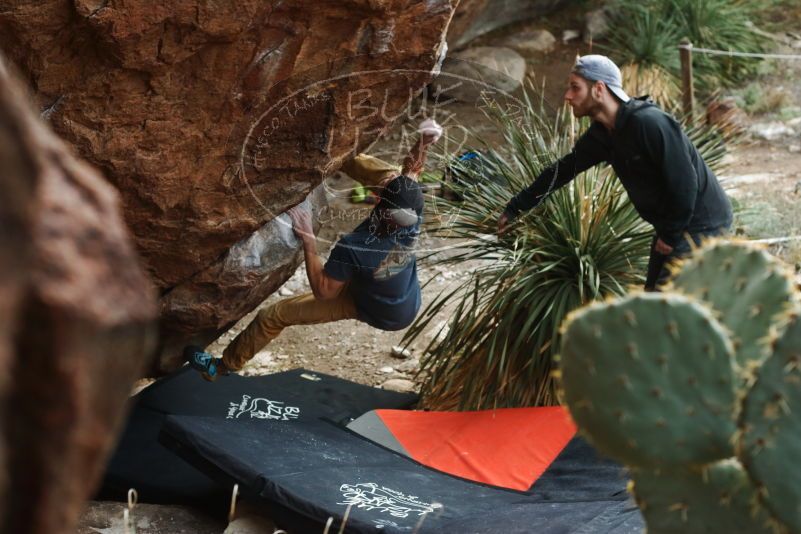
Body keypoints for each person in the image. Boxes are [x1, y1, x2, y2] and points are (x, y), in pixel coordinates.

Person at [185, 123, 441, 380]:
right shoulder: (411, 213)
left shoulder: (355, 247)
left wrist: (308, 237)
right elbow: (412, 170)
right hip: (401, 294)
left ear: (379, 202)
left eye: (384, 189)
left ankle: (221, 368)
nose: (386, 182)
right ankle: (335, 154)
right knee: (392, 175)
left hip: (379, 310)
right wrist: (424, 141)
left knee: (272, 316)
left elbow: (324, 291)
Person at [497, 55, 732, 290]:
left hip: (702, 223)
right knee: (652, 299)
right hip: (672, 224)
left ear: (599, 89)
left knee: (664, 305)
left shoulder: (649, 122)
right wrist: (516, 207)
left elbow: (685, 183)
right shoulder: (602, 135)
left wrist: (670, 234)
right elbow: (562, 171)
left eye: (575, 87)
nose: (568, 96)